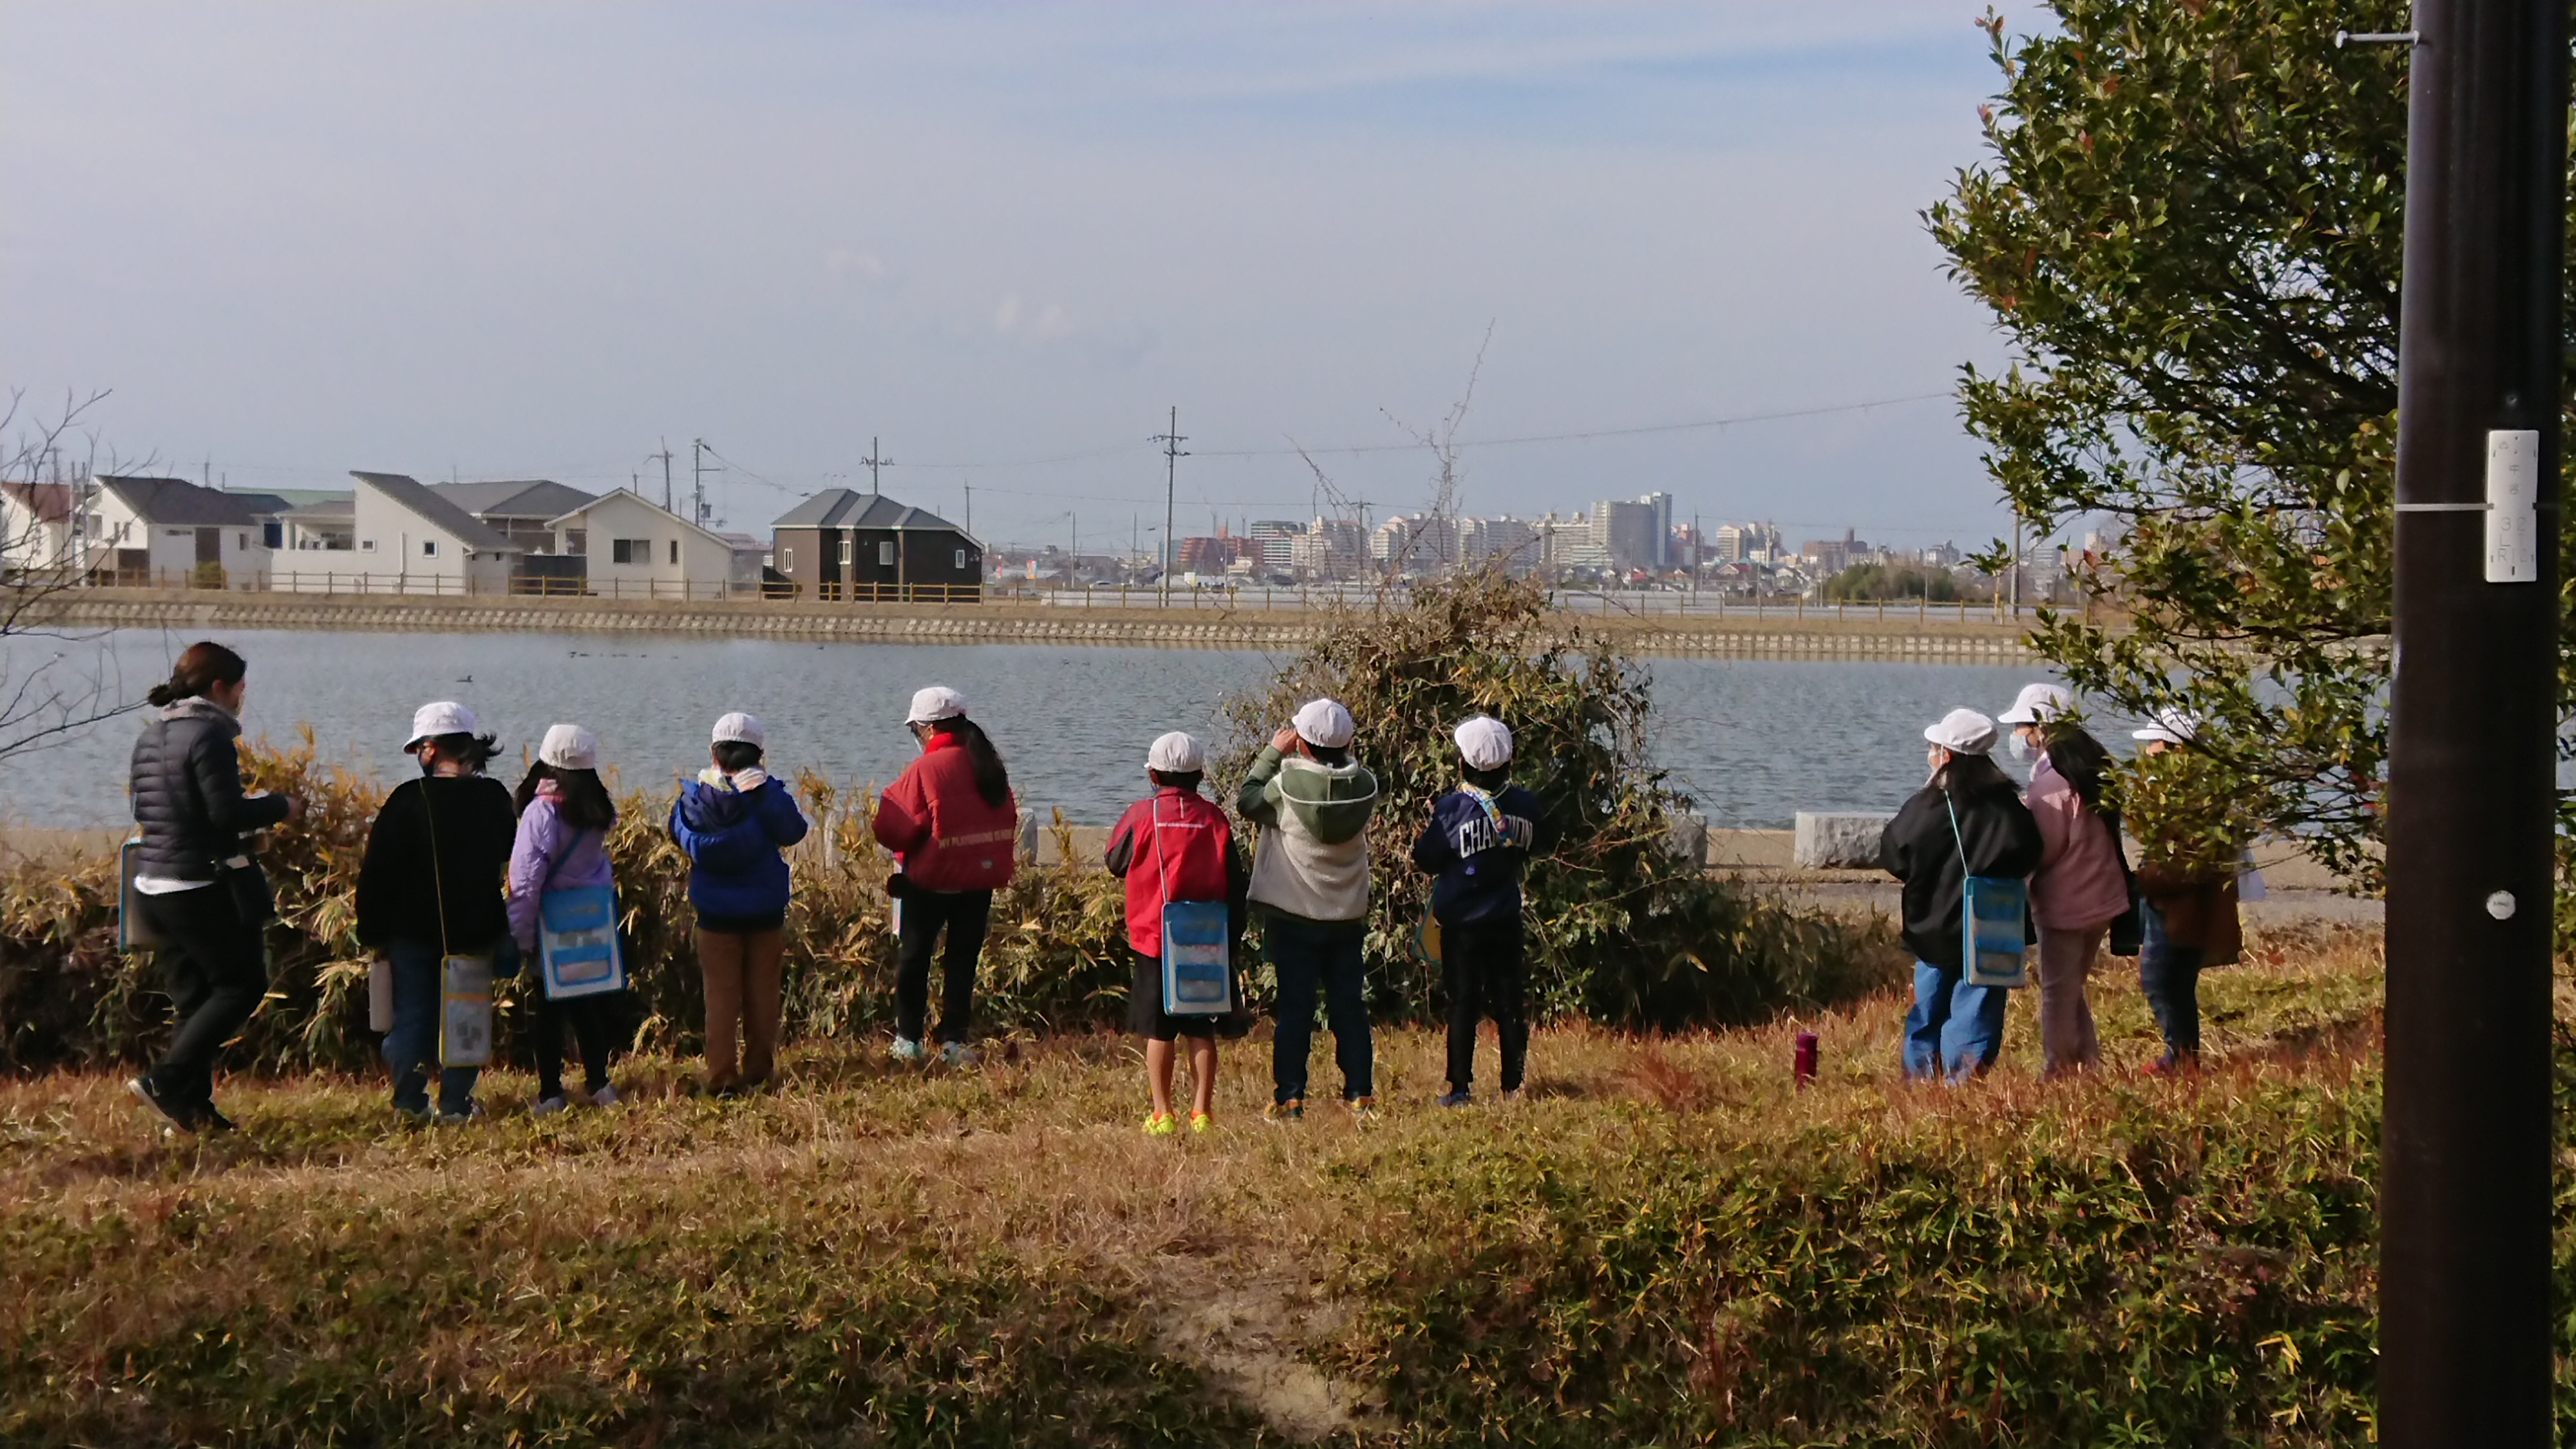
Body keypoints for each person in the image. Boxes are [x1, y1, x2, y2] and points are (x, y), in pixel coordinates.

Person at [124, 641, 302, 1135]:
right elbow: (224, 812)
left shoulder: (153, 737)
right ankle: (166, 1081)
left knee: (195, 999)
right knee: (241, 985)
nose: (243, 699)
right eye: (241, 689)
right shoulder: (209, 737)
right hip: (196, 883)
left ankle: (191, 1110)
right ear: (221, 688)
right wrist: (278, 806)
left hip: (153, 884)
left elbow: (152, 812)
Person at [356, 702, 518, 1124]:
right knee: (466, 1016)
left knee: (412, 1015)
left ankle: (410, 1101)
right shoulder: (495, 797)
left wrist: (372, 932)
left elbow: (376, 872)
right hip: (475, 928)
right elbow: (507, 853)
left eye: (419, 750)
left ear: (430, 749)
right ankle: (456, 1105)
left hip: (410, 931)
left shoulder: (409, 799)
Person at [1879, 707, 2044, 1083]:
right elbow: (2030, 855)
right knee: (1978, 1008)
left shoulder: (1927, 806)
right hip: (1994, 924)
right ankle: (1964, 1082)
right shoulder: (2009, 807)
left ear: (1946, 756)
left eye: (1933, 748)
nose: (1930, 755)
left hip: (1934, 923)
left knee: (1929, 1004)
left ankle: (1920, 1078)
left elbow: (1894, 853)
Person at [1238, 697, 1381, 1121]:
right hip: (1347, 915)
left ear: (1301, 743)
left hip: (1294, 914)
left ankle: (1291, 1097)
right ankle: (1360, 1093)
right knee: (1349, 1007)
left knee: (1295, 1010)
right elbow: (1342, 777)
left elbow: (1247, 801)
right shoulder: (1365, 787)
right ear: (1349, 742)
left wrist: (1272, 753)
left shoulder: (1285, 786)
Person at [1104, 730, 1247, 1135]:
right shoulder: (1215, 818)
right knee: (1201, 1027)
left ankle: (1162, 1113)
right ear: (1200, 775)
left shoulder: (1140, 815)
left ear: (1153, 774)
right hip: (1206, 937)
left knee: (1159, 1029)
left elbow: (1115, 860)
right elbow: (1236, 881)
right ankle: (1203, 1113)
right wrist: (1233, 939)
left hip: (1154, 937)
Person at [1411, 715, 1557, 1107]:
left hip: (1461, 925)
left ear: (1463, 765)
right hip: (1507, 918)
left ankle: (1460, 1088)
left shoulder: (1453, 808)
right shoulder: (1527, 805)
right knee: (1510, 1002)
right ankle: (1513, 1086)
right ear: (1510, 763)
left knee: (1463, 1003)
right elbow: (1538, 843)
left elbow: (1427, 858)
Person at [872, 686, 1017, 1066]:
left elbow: (890, 827)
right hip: (979, 881)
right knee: (962, 960)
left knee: (915, 959)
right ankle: (955, 1041)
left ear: (929, 730)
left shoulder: (925, 770)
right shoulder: (989, 765)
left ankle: (909, 1040)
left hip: (931, 881)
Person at [669, 712, 809, 1096]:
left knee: (720, 997)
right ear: (759, 755)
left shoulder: (696, 799)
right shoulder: (768, 796)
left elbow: (676, 831)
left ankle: (722, 1077)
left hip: (715, 916)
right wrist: (765, 794)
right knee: (764, 993)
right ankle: (760, 1071)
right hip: (765, 912)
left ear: (714, 755)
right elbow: (795, 831)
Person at [1998, 683, 2130, 1076]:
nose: (2019, 735)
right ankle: (2088, 1062)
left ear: (2041, 727)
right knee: (2072, 986)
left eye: (2023, 726)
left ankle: (2059, 1069)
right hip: (2104, 895)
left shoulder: (2051, 782)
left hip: (2066, 903)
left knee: (2057, 990)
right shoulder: (2092, 763)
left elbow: (2046, 848)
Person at [509, 723, 623, 1115]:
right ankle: (599, 1084)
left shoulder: (541, 813)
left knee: (549, 1013)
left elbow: (525, 881)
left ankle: (551, 1094)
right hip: (591, 923)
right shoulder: (597, 810)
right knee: (587, 1007)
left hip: (551, 926)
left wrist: (519, 937)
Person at [2129, 710, 2243, 1075]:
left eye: (2155, 744)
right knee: (2172, 982)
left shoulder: (2193, 798)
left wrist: (2141, 880)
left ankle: (2181, 1059)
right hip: (2181, 909)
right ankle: (2181, 1056)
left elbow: (2187, 866)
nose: (2148, 751)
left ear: (2176, 751)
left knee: (2163, 980)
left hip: (2180, 911)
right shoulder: (2197, 791)